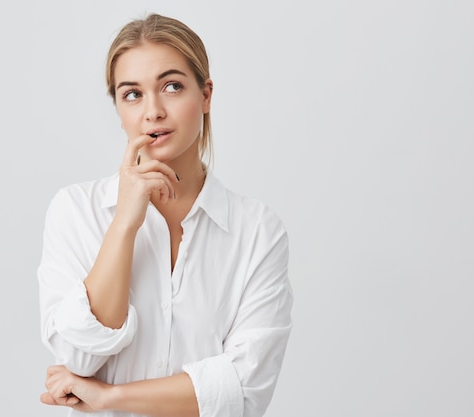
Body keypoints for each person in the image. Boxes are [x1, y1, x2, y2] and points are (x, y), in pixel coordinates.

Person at [37, 12, 293, 417]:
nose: (152, 111)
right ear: (119, 108)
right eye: (132, 94)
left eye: (172, 86)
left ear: (206, 95)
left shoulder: (257, 231)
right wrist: (124, 223)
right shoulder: (75, 211)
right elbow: (78, 358)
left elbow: (243, 390)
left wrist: (109, 397)